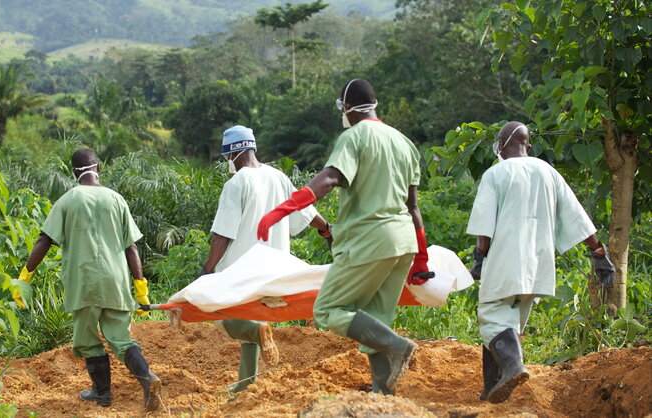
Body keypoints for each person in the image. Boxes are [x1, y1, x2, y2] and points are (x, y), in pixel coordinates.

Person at [257, 79, 432, 395]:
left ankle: (398, 347)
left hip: (368, 241)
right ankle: (383, 393)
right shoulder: (404, 143)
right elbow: (414, 206)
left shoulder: (354, 137)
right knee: (375, 318)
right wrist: (421, 257)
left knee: (328, 309)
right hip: (402, 242)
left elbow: (331, 177)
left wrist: (284, 208)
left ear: (347, 107)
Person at [467, 121, 615, 404]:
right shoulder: (549, 173)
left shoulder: (496, 173)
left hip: (504, 263)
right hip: (538, 266)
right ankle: (491, 390)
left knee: (492, 318)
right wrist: (599, 253)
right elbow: (577, 216)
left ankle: (513, 367)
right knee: (507, 324)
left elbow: (484, 230)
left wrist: (479, 258)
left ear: (500, 145)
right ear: (528, 146)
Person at [13, 148, 162, 411]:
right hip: (115, 282)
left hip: (83, 282)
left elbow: (44, 240)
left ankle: (102, 393)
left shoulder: (68, 200)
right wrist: (140, 288)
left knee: (87, 341)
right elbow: (132, 248)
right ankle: (147, 378)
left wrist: (25, 276)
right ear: (99, 168)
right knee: (121, 340)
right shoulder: (116, 200)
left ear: (74, 172)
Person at [200, 125, 333, 392]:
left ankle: (255, 333)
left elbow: (222, 235)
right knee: (254, 319)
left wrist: (207, 270)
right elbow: (305, 212)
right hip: (274, 270)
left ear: (230, 155)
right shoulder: (278, 177)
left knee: (218, 314)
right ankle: (246, 384)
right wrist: (326, 228)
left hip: (241, 271)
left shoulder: (236, 183)